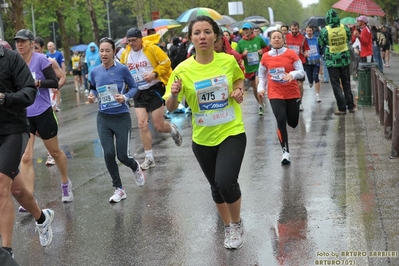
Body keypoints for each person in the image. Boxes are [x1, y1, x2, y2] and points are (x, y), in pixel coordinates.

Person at [165, 16, 246, 250]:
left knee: (225, 181)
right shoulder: (182, 69)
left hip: (231, 130)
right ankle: (228, 226)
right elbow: (171, 107)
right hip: (202, 139)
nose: (203, 36)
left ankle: (237, 223)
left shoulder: (227, 61)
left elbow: (239, 80)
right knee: (216, 186)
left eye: (207, 32)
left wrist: (239, 91)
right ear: (190, 38)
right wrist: (173, 93)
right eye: (197, 33)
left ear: (216, 37)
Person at [0, 38, 55, 260]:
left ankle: (6, 254)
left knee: (1, 187)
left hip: (14, 129)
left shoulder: (11, 59)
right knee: (17, 190)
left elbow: (29, 92)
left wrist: (4, 98)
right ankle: (42, 218)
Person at [14, 29, 74, 205]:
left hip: (43, 112)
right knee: (25, 157)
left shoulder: (40, 60)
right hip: (24, 115)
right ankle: (29, 197)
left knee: (55, 152)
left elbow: (54, 82)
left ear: (32, 43)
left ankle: (65, 182)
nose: (19, 44)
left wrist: (38, 83)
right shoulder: (15, 62)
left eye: (23, 41)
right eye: (17, 41)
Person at [87, 37, 145, 202]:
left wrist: (125, 97)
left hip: (121, 116)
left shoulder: (122, 69)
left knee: (123, 156)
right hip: (103, 117)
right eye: (102, 50)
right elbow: (93, 88)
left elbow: (134, 87)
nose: (104, 54)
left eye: (107, 50)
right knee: (108, 153)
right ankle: (119, 188)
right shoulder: (95, 71)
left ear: (113, 52)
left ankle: (135, 167)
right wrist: (92, 96)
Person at [120, 28, 182, 170]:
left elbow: (166, 63)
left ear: (140, 39)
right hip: (138, 92)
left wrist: (154, 73)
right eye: (129, 41)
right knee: (142, 124)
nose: (131, 44)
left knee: (159, 126)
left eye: (134, 40)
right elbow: (123, 70)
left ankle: (172, 130)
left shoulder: (152, 49)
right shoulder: (126, 54)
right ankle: (149, 158)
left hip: (154, 89)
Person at [257, 29, 305, 164]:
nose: (276, 39)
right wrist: (261, 88)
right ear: (270, 41)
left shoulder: (291, 54)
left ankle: (291, 121)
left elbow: (301, 72)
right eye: (274, 38)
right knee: (280, 120)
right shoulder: (265, 57)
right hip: (275, 93)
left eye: (279, 37)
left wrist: (292, 75)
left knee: (293, 123)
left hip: (292, 92)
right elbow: (261, 75)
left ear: (283, 40)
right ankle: (285, 152)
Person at [33, 36, 67, 167]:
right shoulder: (27, 62)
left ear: (42, 48)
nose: (34, 50)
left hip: (49, 98)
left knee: (48, 124)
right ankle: (52, 145)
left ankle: (51, 152)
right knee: (36, 130)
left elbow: (62, 77)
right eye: (32, 47)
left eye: (36, 47)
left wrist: (56, 86)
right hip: (34, 100)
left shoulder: (50, 61)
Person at [318, 9, 356, 115]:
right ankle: (351, 106)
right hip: (344, 59)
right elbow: (348, 38)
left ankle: (342, 108)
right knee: (346, 83)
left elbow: (320, 42)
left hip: (332, 61)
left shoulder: (325, 30)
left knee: (336, 85)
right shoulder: (345, 28)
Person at [236, 22, 268, 115]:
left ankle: (261, 106)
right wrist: (243, 55)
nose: (245, 31)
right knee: (254, 88)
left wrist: (262, 51)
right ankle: (260, 103)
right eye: (244, 30)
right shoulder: (241, 42)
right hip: (250, 68)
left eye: (247, 29)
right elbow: (237, 56)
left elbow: (267, 49)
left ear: (251, 30)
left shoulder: (258, 39)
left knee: (258, 86)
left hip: (259, 66)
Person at [285, 21, 310, 111]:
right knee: (290, 84)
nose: (294, 31)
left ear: (298, 29)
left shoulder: (303, 38)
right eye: (292, 29)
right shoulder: (285, 37)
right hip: (289, 63)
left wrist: (307, 53)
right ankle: (290, 102)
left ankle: (300, 103)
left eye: (296, 29)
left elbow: (306, 49)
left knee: (299, 85)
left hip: (300, 62)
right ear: (290, 29)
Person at [46, 42, 65, 111]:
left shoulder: (58, 54)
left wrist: (63, 72)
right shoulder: (47, 55)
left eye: (50, 46)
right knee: (52, 90)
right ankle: (53, 103)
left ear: (54, 46)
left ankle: (58, 104)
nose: (49, 48)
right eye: (48, 46)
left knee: (56, 89)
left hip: (57, 74)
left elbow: (62, 63)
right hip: (50, 74)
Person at [304, 26, 322, 102]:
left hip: (316, 62)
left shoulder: (316, 40)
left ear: (313, 31)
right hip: (308, 62)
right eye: (307, 31)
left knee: (316, 77)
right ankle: (310, 82)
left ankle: (317, 95)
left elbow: (320, 49)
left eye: (310, 30)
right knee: (310, 79)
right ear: (305, 31)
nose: (309, 32)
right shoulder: (304, 40)